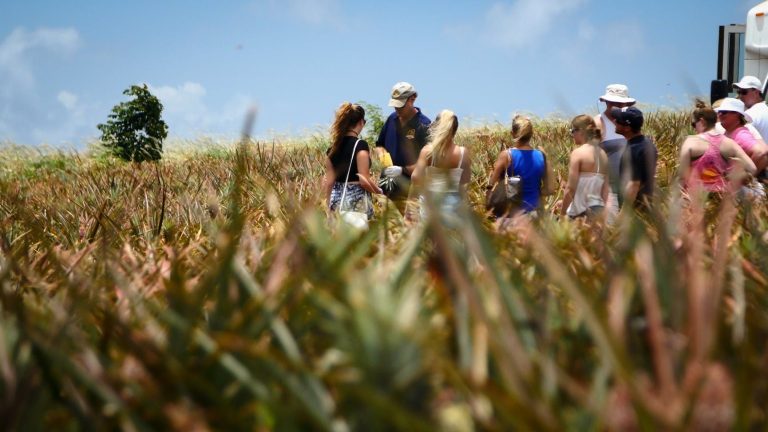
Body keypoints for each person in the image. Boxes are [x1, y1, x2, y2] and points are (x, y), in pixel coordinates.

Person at [375, 82, 432, 212]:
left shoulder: (424, 126)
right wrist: (383, 158)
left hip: (410, 193)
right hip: (387, 188)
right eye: (395, 105)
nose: (397, 109)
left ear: (412, 99)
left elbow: (427, 165)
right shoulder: (391, 119)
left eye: (400, 105)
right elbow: (379, 145)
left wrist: (402, 170)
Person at [680, 100, 756, 193]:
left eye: (693, 124)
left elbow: (682, 177)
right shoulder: (730, 143)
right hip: (722, 199)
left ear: (702, 121)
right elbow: (752, 169)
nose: (694, 128)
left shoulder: (690, 142)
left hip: (696, 200)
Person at [486, 115, 555, 218]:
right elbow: (550, 189)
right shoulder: (541, 155)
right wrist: (534, 192)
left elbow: (491, 185)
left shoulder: (506, 155)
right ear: (531, 134)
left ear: (512, 133)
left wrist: (489, 196)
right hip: (536, 214)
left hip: (512, 216)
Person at [410, 110, 472, 223]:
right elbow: (465, 182)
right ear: (454, 130)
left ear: (436, 127)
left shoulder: (428, 151)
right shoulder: (463, 153)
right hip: (454, 210)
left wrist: (409, 210)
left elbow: (415, 178)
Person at [323, 102, 381, 220]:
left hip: (335, 201)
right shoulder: (360, 145)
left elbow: (329, 183)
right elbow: (364, 181)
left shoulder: (332, 149)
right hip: (355, 202)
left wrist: (328, 206)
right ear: (360, 122)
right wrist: (379, 192)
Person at [594, 84, 636, 220]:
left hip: (632, 186)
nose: (615, 105)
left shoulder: (631, 121)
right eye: (612, 102)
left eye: (619, 102)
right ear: (606, 102)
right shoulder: (599, 121)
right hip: (609, 188)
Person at [560, 115, 609, 220]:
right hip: (599, 211)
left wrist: (562, 214)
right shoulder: (603, 154)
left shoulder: (578, 153)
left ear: (581, 131)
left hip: (581, 213)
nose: (572, 134)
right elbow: (605, 190)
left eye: (572, 130)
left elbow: (570, 188)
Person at [614, 106, 657, 210]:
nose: (614, 121)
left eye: (618, 121)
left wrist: (624, 215)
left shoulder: (634, 149)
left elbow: (634, 184)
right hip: (645, 207)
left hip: (634, 211)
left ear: (627, 128)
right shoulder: (646, 143)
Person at [734, 75, 768, 141]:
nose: (740, 96)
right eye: (739, 92)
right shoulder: (764, 109)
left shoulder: (750, 114)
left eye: (744, 92)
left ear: (756, 93)